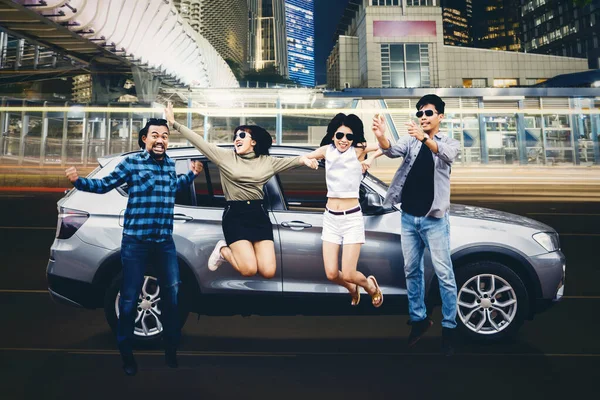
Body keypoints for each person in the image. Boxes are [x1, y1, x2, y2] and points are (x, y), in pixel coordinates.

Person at [65, 118, 203, 375]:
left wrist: (191, 176)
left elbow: (172, 188)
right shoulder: (132, 163)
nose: (160, 139)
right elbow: (105, 185)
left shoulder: (170, 165)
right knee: (129, 299)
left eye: (164, 135)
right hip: (136, 242)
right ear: (145, 139)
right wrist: (79, 181)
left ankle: (170, 348)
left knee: (173, 295)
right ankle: (126, 353)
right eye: (155, 135)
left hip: (164, 242)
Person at [164, 102, 318, 279]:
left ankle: (229, 250)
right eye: (235, 135)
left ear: (253, 142)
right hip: (236, 216)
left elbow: (295, 160)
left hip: (259, 215)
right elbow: (200, 142)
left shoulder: (266, 162)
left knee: (268, 271)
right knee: (248, 270)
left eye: (242, 135)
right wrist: (174, 123)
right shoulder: (226, 157)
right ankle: (223, 250)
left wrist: (307, 160)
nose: (237, 138)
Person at [372, 94, 460, 356]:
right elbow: (391, 150)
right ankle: (419, 320)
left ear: (440, 117)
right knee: (412, 271)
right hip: (409, 217)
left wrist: (424, 138)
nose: (423, 117)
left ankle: (449, 328)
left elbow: (446, 155)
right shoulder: (410, 140)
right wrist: (381, 136)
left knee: (445, 275)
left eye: (428, 113)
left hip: (434, 219)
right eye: (420, 113)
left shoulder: (448, 142)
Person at [304, 113, 383, 308]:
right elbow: (303, 156)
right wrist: (309, 161)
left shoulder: (357, 151)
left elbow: (386, 147)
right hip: (331, 219)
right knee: (331, 273)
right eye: (340, 135)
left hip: (352, 219)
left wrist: (370, 159)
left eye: (349, 136)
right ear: (333, 136)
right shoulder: (326, 150)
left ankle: (370, 286)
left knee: (348, 272)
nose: (344, 140)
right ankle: (351, 288)